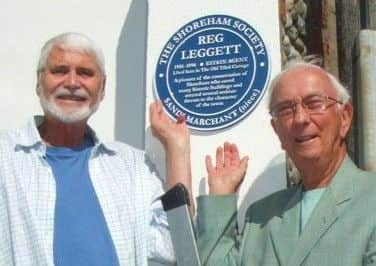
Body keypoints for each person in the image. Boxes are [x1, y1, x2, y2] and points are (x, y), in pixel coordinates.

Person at [0, 32, 191, 266]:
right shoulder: (6, 156)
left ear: (102, 89)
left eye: (85, 73)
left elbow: (173, 246)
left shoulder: (132, 165)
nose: (72, 82)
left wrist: (177, 148)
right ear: (39, 82)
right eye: (59, 70)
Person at [196, 60, 376, 265]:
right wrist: (221, 196)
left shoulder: (370, 200)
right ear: (277, 131)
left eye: (314, 103)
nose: (300, 118)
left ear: (344, 117)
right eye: (285, 109)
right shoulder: (261, 216)